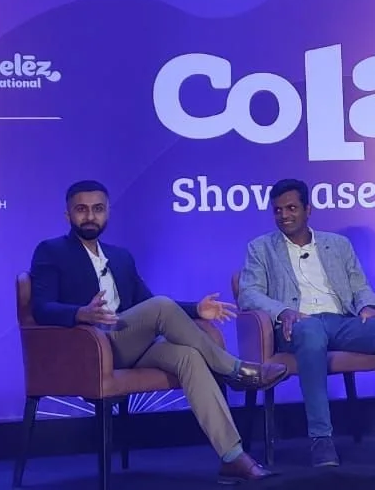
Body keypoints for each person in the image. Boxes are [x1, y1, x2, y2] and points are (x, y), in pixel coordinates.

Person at [29, 180, 289, 483]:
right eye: (81, 210)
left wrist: (196, 310)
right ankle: (235, 370)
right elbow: (42, 307)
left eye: (97, 209)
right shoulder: (50, 251)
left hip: (128, 342)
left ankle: (232, 457)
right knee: (163, 307)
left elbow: (147, 305)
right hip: (90, 347)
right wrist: (80, 313)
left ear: (108, 212)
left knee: (188, 356)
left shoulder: (120, 256)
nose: (90, 216)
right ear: (68, 215)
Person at [237, 179, 375, 469]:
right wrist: (283, 311)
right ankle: (321, 438)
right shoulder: (261, 248)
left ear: (308, 209)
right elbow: (249, 293)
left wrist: (369, 307)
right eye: (278, 210)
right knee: (309, 332)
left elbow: (360, 286)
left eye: (292, 208)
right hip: (299, 325)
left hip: (342, 322)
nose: (284, 215)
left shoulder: (338, 244)